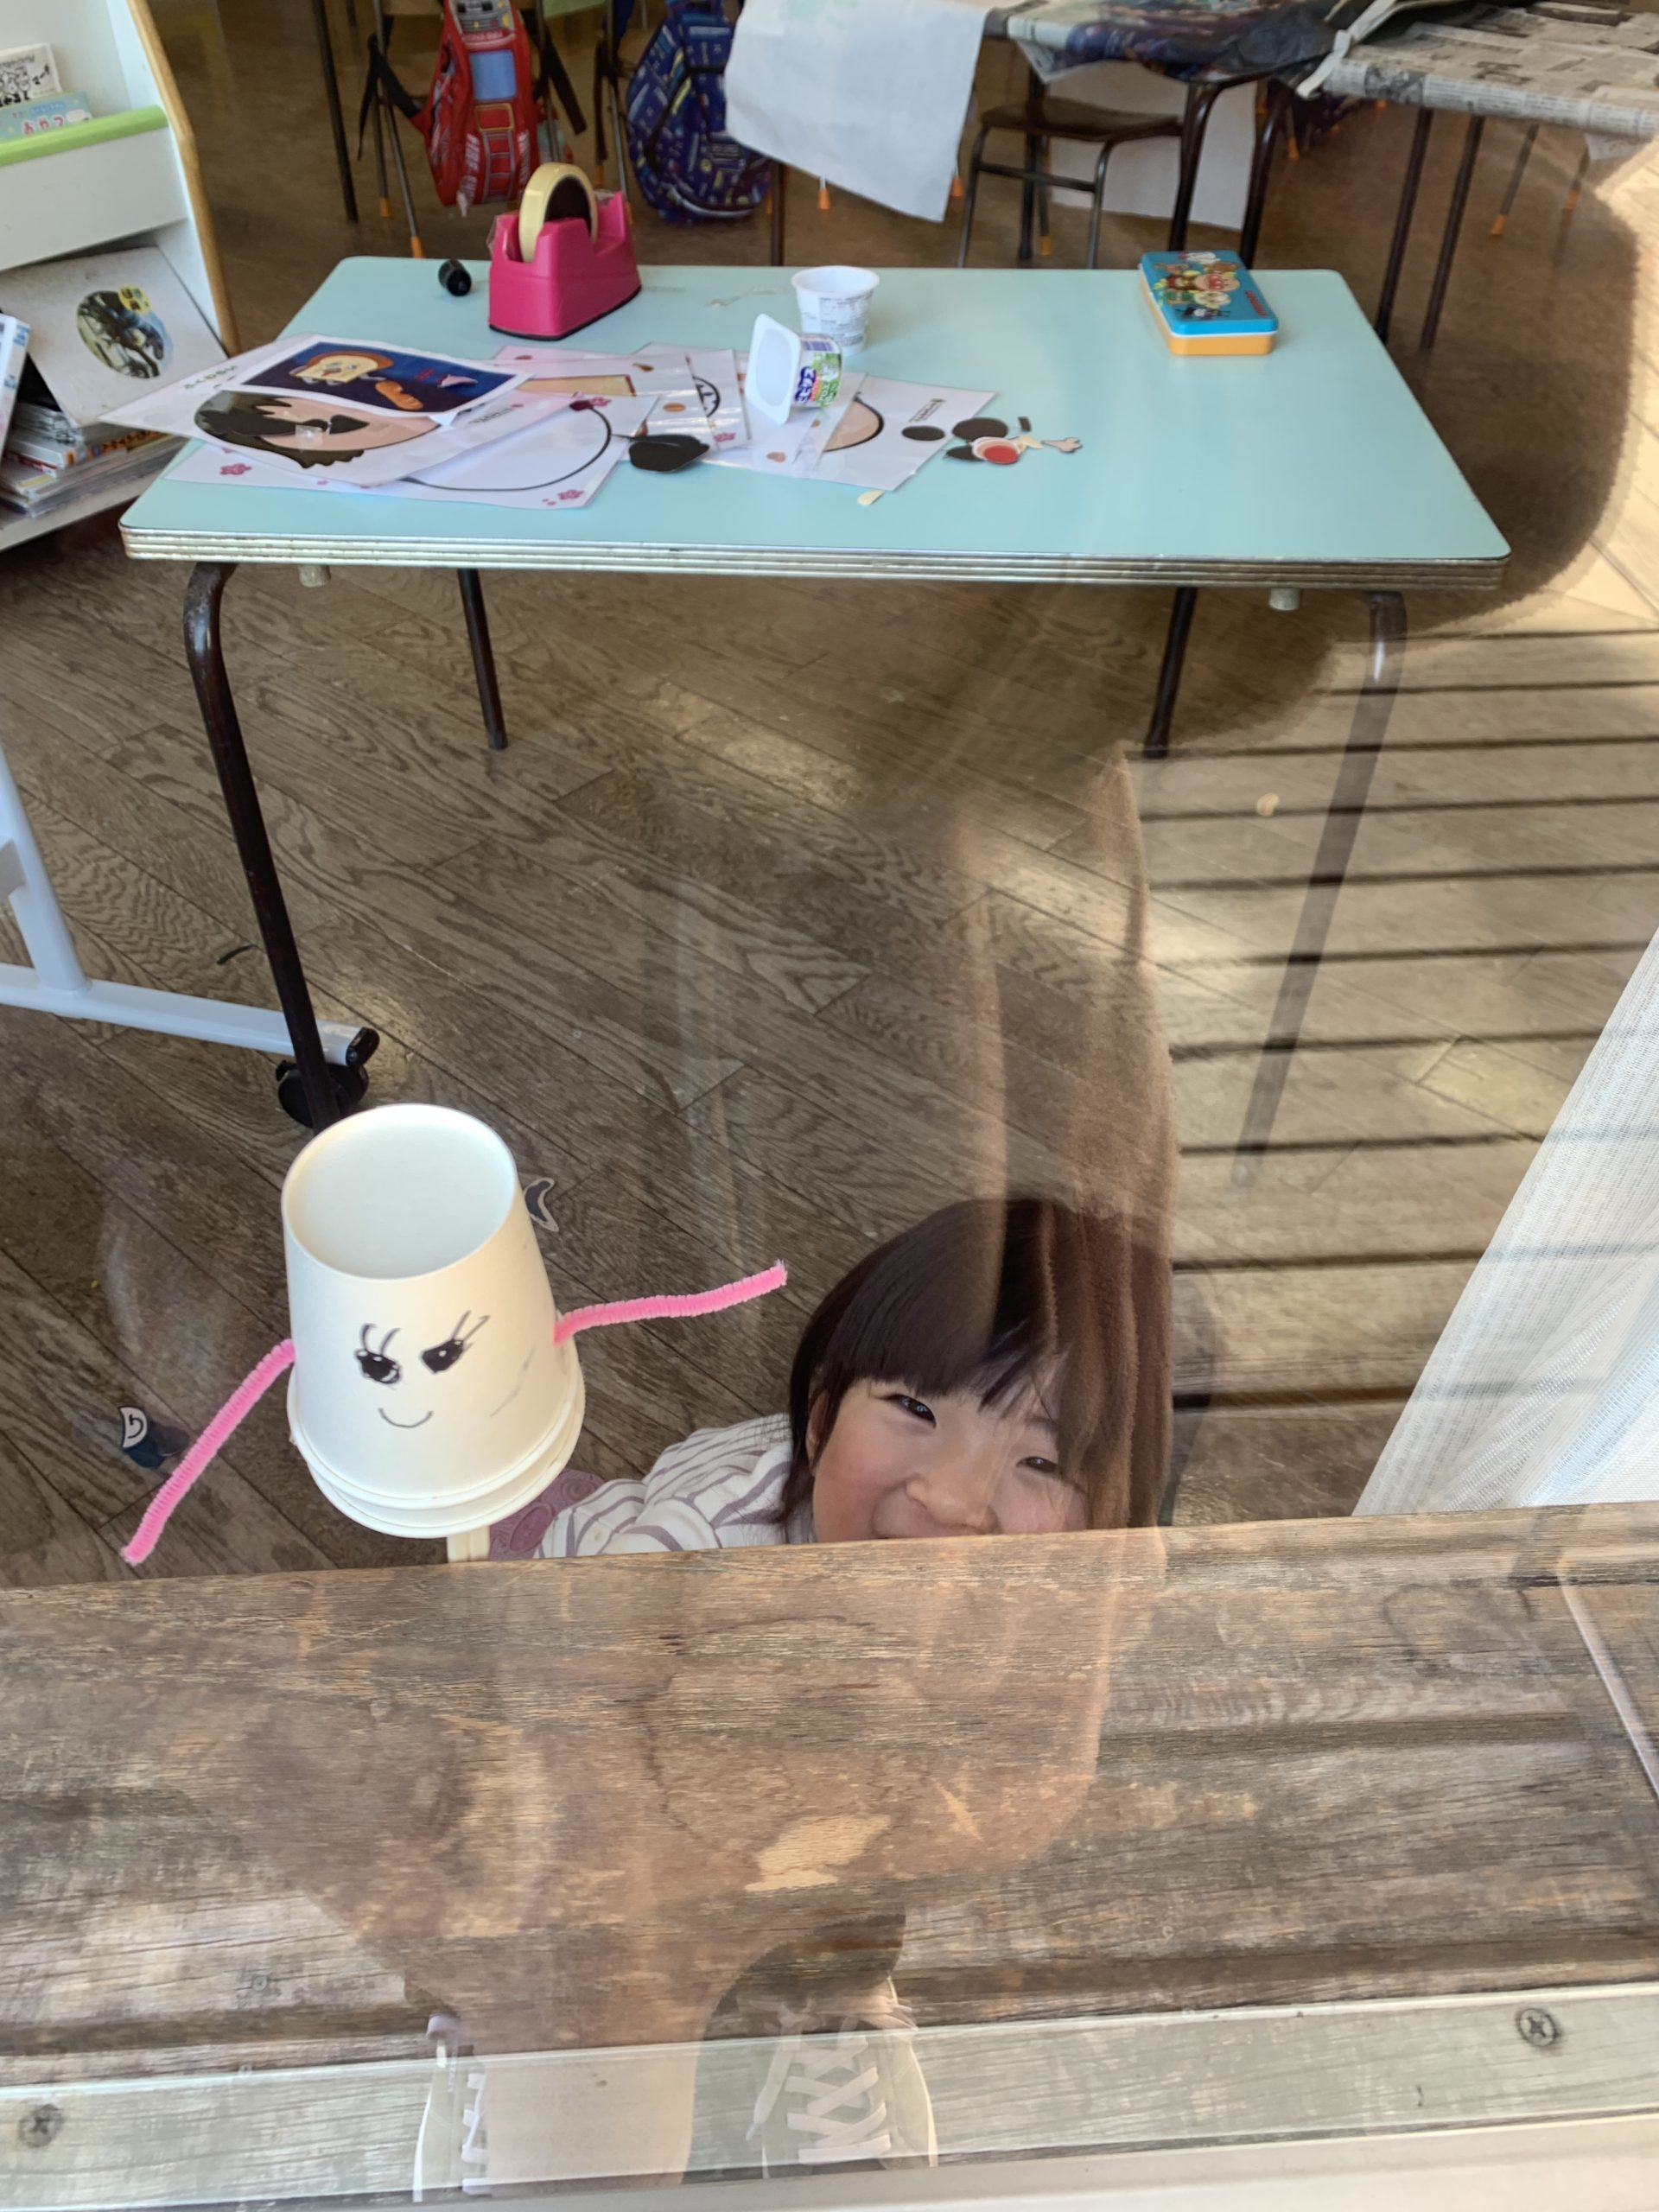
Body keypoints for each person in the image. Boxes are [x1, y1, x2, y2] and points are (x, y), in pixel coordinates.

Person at [492, 1194, 1171, 1558]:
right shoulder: (696, 1556)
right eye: (917, 1408)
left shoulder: (1070, 1599)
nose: (952, 1499)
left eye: (1044, 1463)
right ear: (819, 1428)